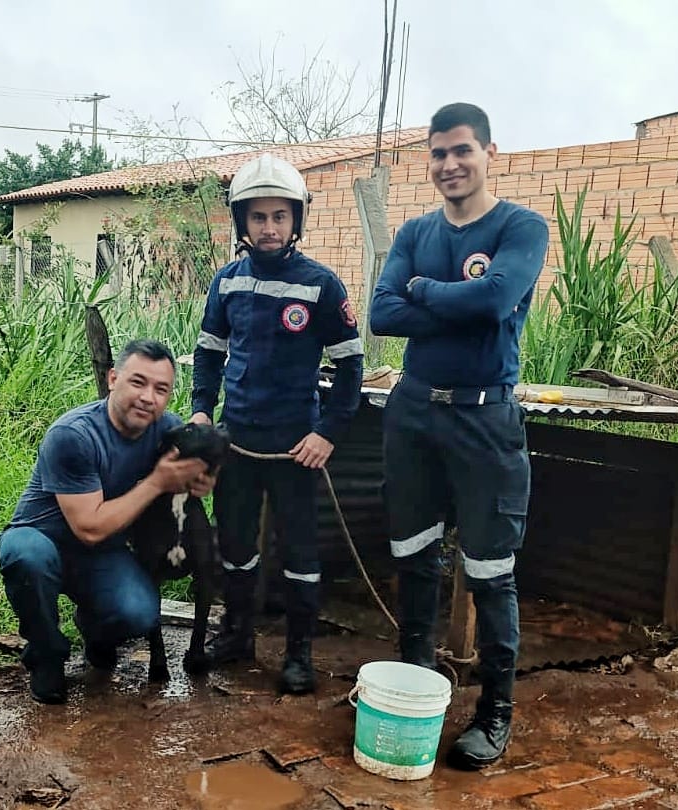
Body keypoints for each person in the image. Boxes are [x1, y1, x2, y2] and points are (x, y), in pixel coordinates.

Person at [368, 103, 549, 769]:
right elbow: (383, 312)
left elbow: (495, 299)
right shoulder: (416, 231)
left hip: (485, 418)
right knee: (414, 554)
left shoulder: (520, 226)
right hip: (413, 412)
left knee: (489, 572)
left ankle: (493, 713)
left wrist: (421, 292)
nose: (449, 164)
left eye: (461, 151)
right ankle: (414, 686)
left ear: (488, 152)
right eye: (439, 153)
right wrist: (444, 301)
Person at [190, 153, 364, 695]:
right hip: (237, 443)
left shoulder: (321, 286)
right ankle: (237, 634)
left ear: (296, 221)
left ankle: (298, 654)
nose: (269, 228)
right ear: (242, 221)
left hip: (297, 449)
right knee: (236, 545)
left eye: (280, 217)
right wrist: (201, 409)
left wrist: (327, 432)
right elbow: (209, 353)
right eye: (259, 217)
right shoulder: (226, 283)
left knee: (300, 552)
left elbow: (351, 366)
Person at [0, 339, 216, 704]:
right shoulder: (73, 436)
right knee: (25, 555)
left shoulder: (168, 431)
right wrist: (159, 481)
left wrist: (203, 478)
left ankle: (95, 629)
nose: (148, 397)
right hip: (46, 539)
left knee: (139, 612)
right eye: (138, 382)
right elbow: (89, 527)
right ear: (112, 378)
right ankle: (46, 654)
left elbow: (203, 464)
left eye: (161, 389)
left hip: (103, 553)